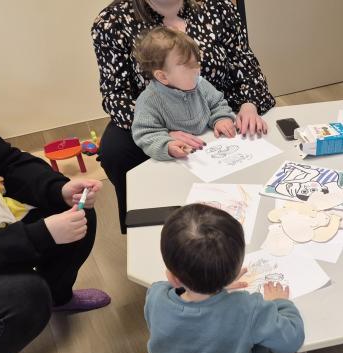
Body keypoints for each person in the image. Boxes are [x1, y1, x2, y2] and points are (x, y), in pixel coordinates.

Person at [92, 0, 275, 232]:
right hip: (154, 115)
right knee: (115, 151)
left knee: (254, 140)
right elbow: (115, 96)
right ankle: (147, 227)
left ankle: (246, 209)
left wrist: (247, 106)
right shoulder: (112, 21)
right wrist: (163, 131)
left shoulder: (219, 7)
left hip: (215, 107)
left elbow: (246, 67)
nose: (196, 69)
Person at [0, 121, 110, 353]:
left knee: (77, 215)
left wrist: (59, 189)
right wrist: (37, 236)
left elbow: (8, 162)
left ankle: (58, 296)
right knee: (25, 295)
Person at [144, 204, 310, 353]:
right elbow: (292, 338)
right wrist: (280, 302)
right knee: (296, 351)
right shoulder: (247, 309)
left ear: (172, 278)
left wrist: (210, 284)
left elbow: (187, 311)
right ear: (236, 270)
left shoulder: (155, 297)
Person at [132, 27, 236, 161]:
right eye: (189, 66)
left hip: (212, 146)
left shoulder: (200, 84)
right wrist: (167, 146)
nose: (198, 69)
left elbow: (217, 104)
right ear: (163, 76)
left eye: (197, 63)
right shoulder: (149, 101)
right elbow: (146, 135)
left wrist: (221, 118)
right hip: (180, 160)